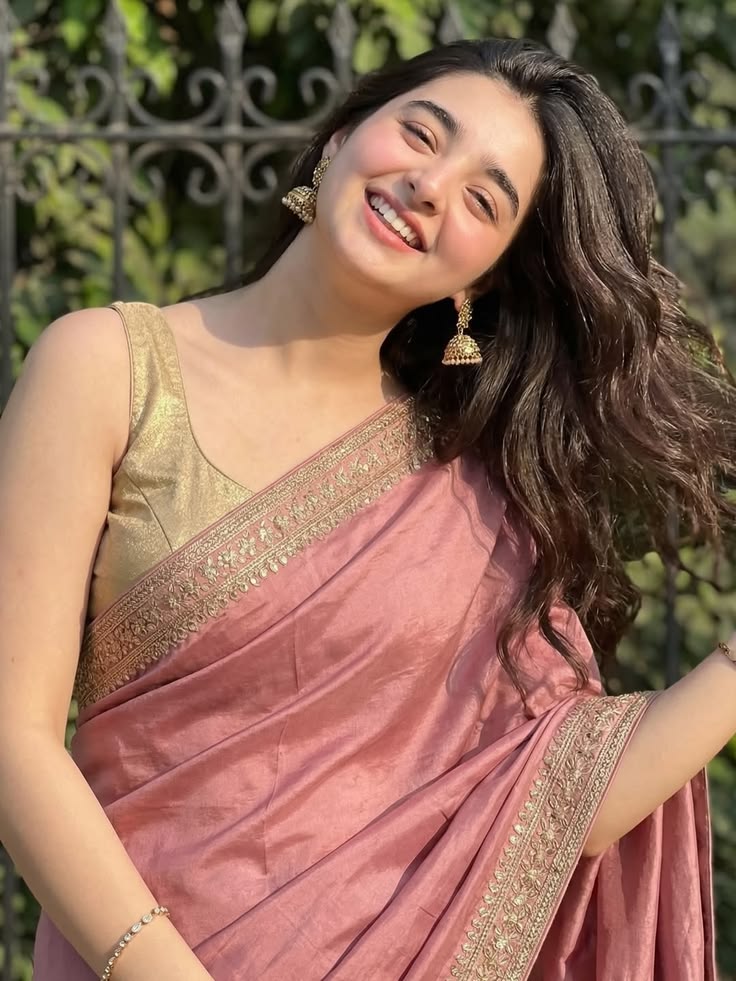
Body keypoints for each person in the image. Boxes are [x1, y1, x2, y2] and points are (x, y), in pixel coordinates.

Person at [0, 35, 734, 981]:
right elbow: (15, 737)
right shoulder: (107, 370)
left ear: (483, 278)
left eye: (484, 200)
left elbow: (554, 809)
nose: (430, 187)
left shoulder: (467, 494)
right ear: (343, 135)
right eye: (421, 135)